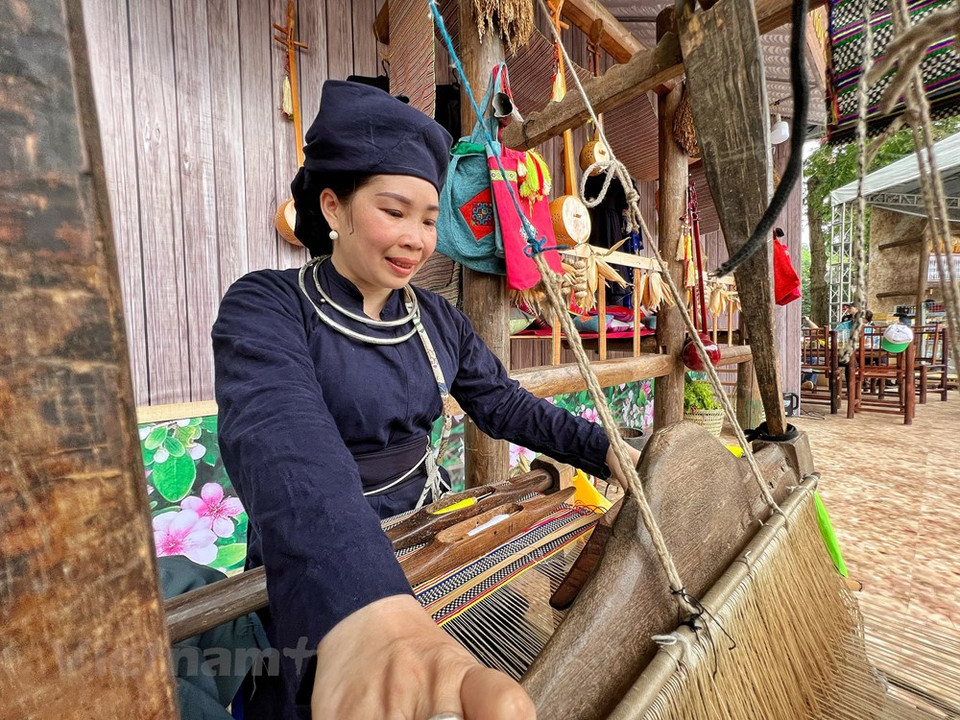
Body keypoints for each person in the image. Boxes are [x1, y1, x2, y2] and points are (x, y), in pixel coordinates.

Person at [212, 81, 639, 720]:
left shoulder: (438, 319)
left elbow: (503, 404)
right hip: (314, 546)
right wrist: (366, 611)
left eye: (429, 218)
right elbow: (282, 437)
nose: (415, 238)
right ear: (334, 207)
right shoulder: (267, 306)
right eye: (393, 210)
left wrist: (603, 448)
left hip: (425, 528)